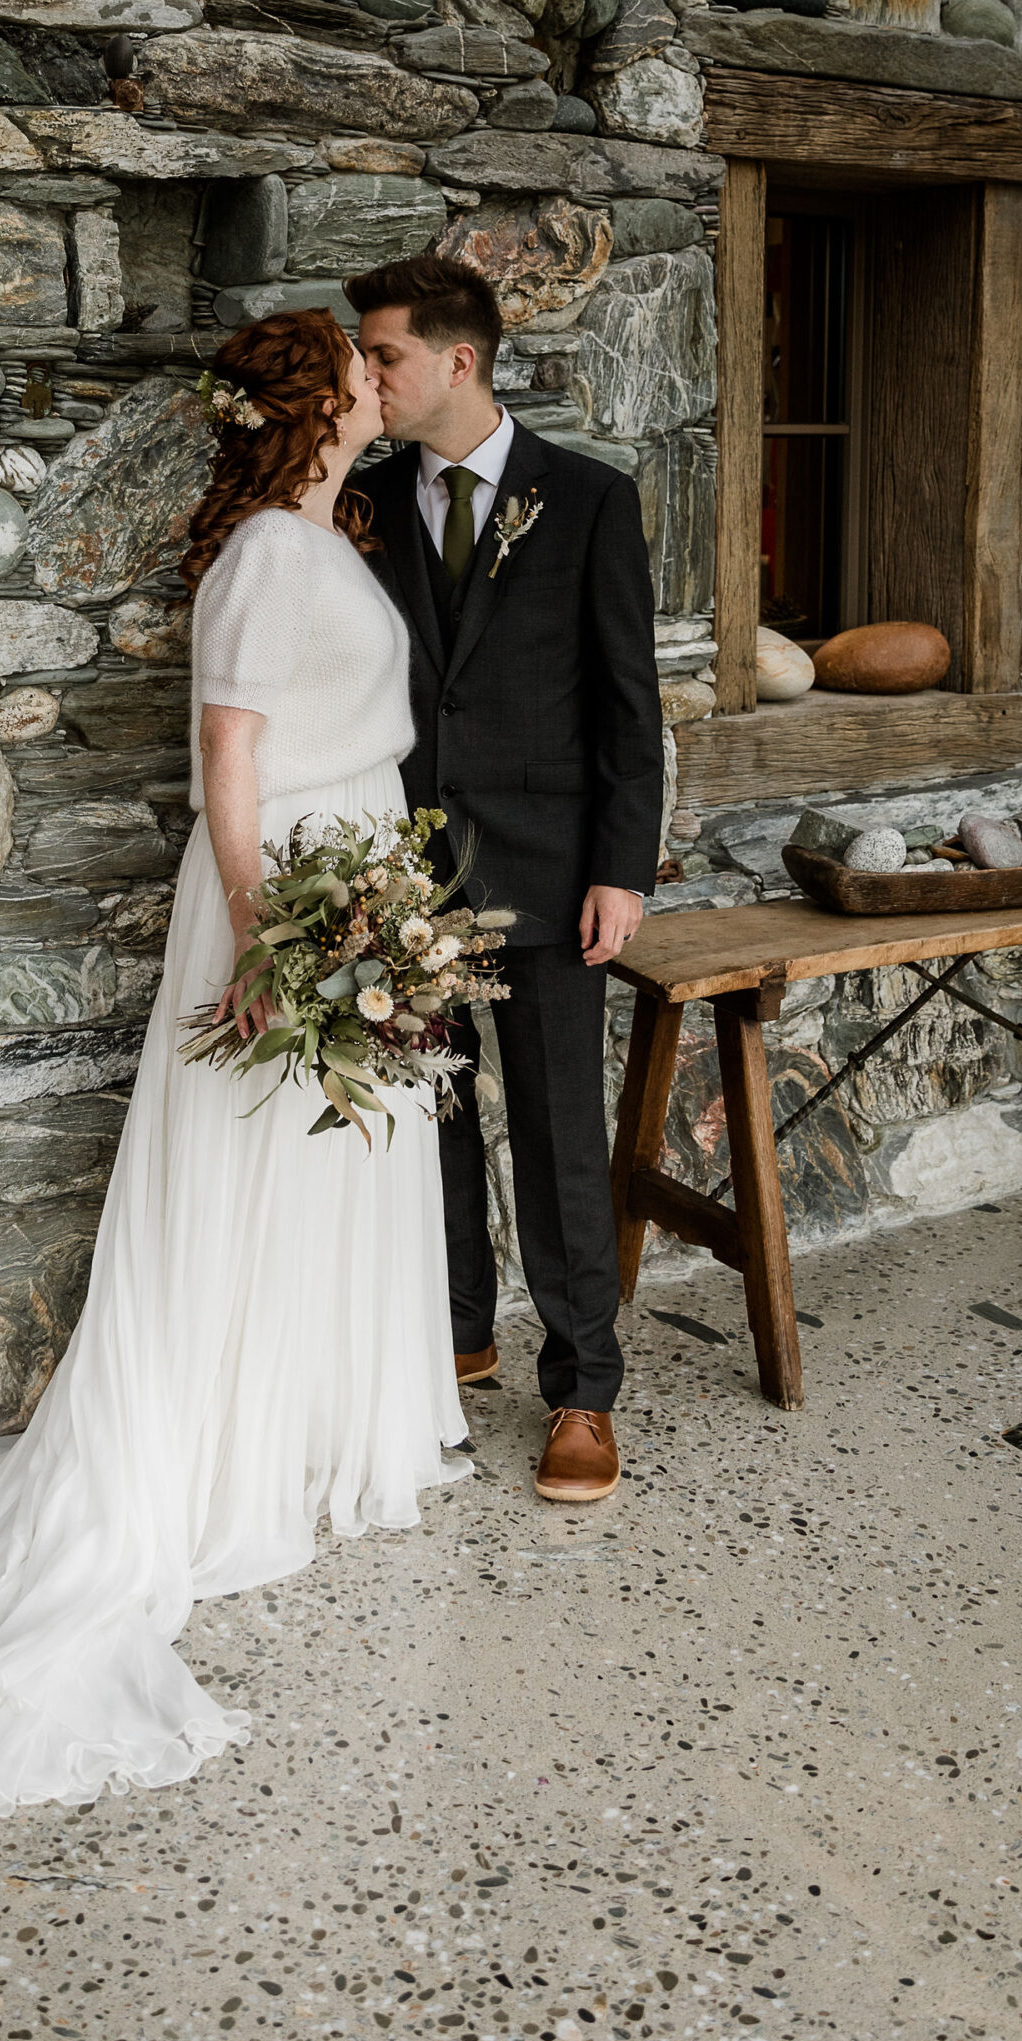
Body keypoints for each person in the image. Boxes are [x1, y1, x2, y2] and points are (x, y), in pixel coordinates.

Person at [0, 310, 471, 1814]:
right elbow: (230, 751)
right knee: (255, 1166)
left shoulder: (325, 533)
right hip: (283, 876)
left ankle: (302, 1434)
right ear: (315, 400)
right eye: (356, 365)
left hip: (351, 854)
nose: (375, 376)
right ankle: (220, 1456)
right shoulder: (265, 560)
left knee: (328, 1163)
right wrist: (260, 927)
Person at [349, 253, 663, 1505]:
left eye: (384, 356)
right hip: (401, 867)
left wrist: (620, 871)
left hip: (547, 867)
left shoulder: (585, 498)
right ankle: (458, 1327)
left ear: (457, 360)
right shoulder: (363, 495)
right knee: (425, 1114)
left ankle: (584, 1389)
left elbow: (628, 706)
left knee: (554, 1136)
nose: (368, 377)